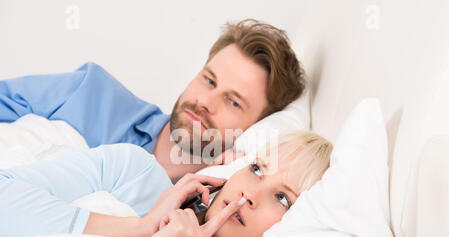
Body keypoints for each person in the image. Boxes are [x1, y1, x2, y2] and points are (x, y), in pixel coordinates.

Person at [0, 130, 333, 237]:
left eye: (282, 199)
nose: (249, 194)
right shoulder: (134, 174)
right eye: (257, 169)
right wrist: (140, 230)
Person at [0, 19, 306, 183]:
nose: (205, 102)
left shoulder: (201, 215)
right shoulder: (90, 92)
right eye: (209, 80)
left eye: (233, 102)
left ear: (257, 127)